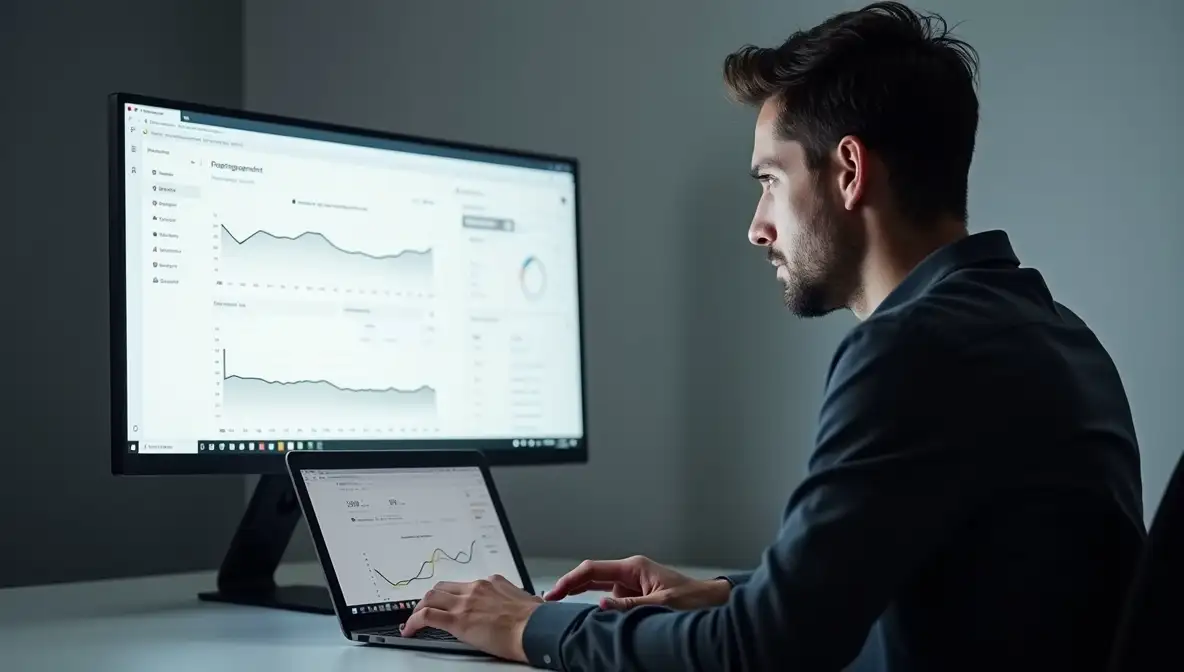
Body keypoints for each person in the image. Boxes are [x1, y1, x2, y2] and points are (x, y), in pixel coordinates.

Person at [400, 2, 1146, 669]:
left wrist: (535, 625)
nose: (757, 228)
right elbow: (929, 581)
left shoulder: (910, 351)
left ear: (848, 171)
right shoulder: (1057, 336)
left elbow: (761, 653)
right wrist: (726, 592)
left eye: (769, 180)